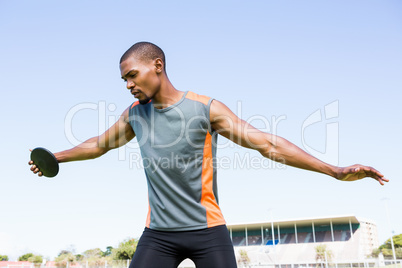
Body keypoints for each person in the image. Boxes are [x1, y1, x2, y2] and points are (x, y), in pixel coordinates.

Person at [29, 42, 388, 268]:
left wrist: (334, 170)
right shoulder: (134, 115)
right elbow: (98, 144)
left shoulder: (205, 108)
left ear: (157, 66)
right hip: (158, 235)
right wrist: (56, 158)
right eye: (124, 80)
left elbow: (267, 144)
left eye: (132, 76)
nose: (128, 85)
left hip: (208, 232)